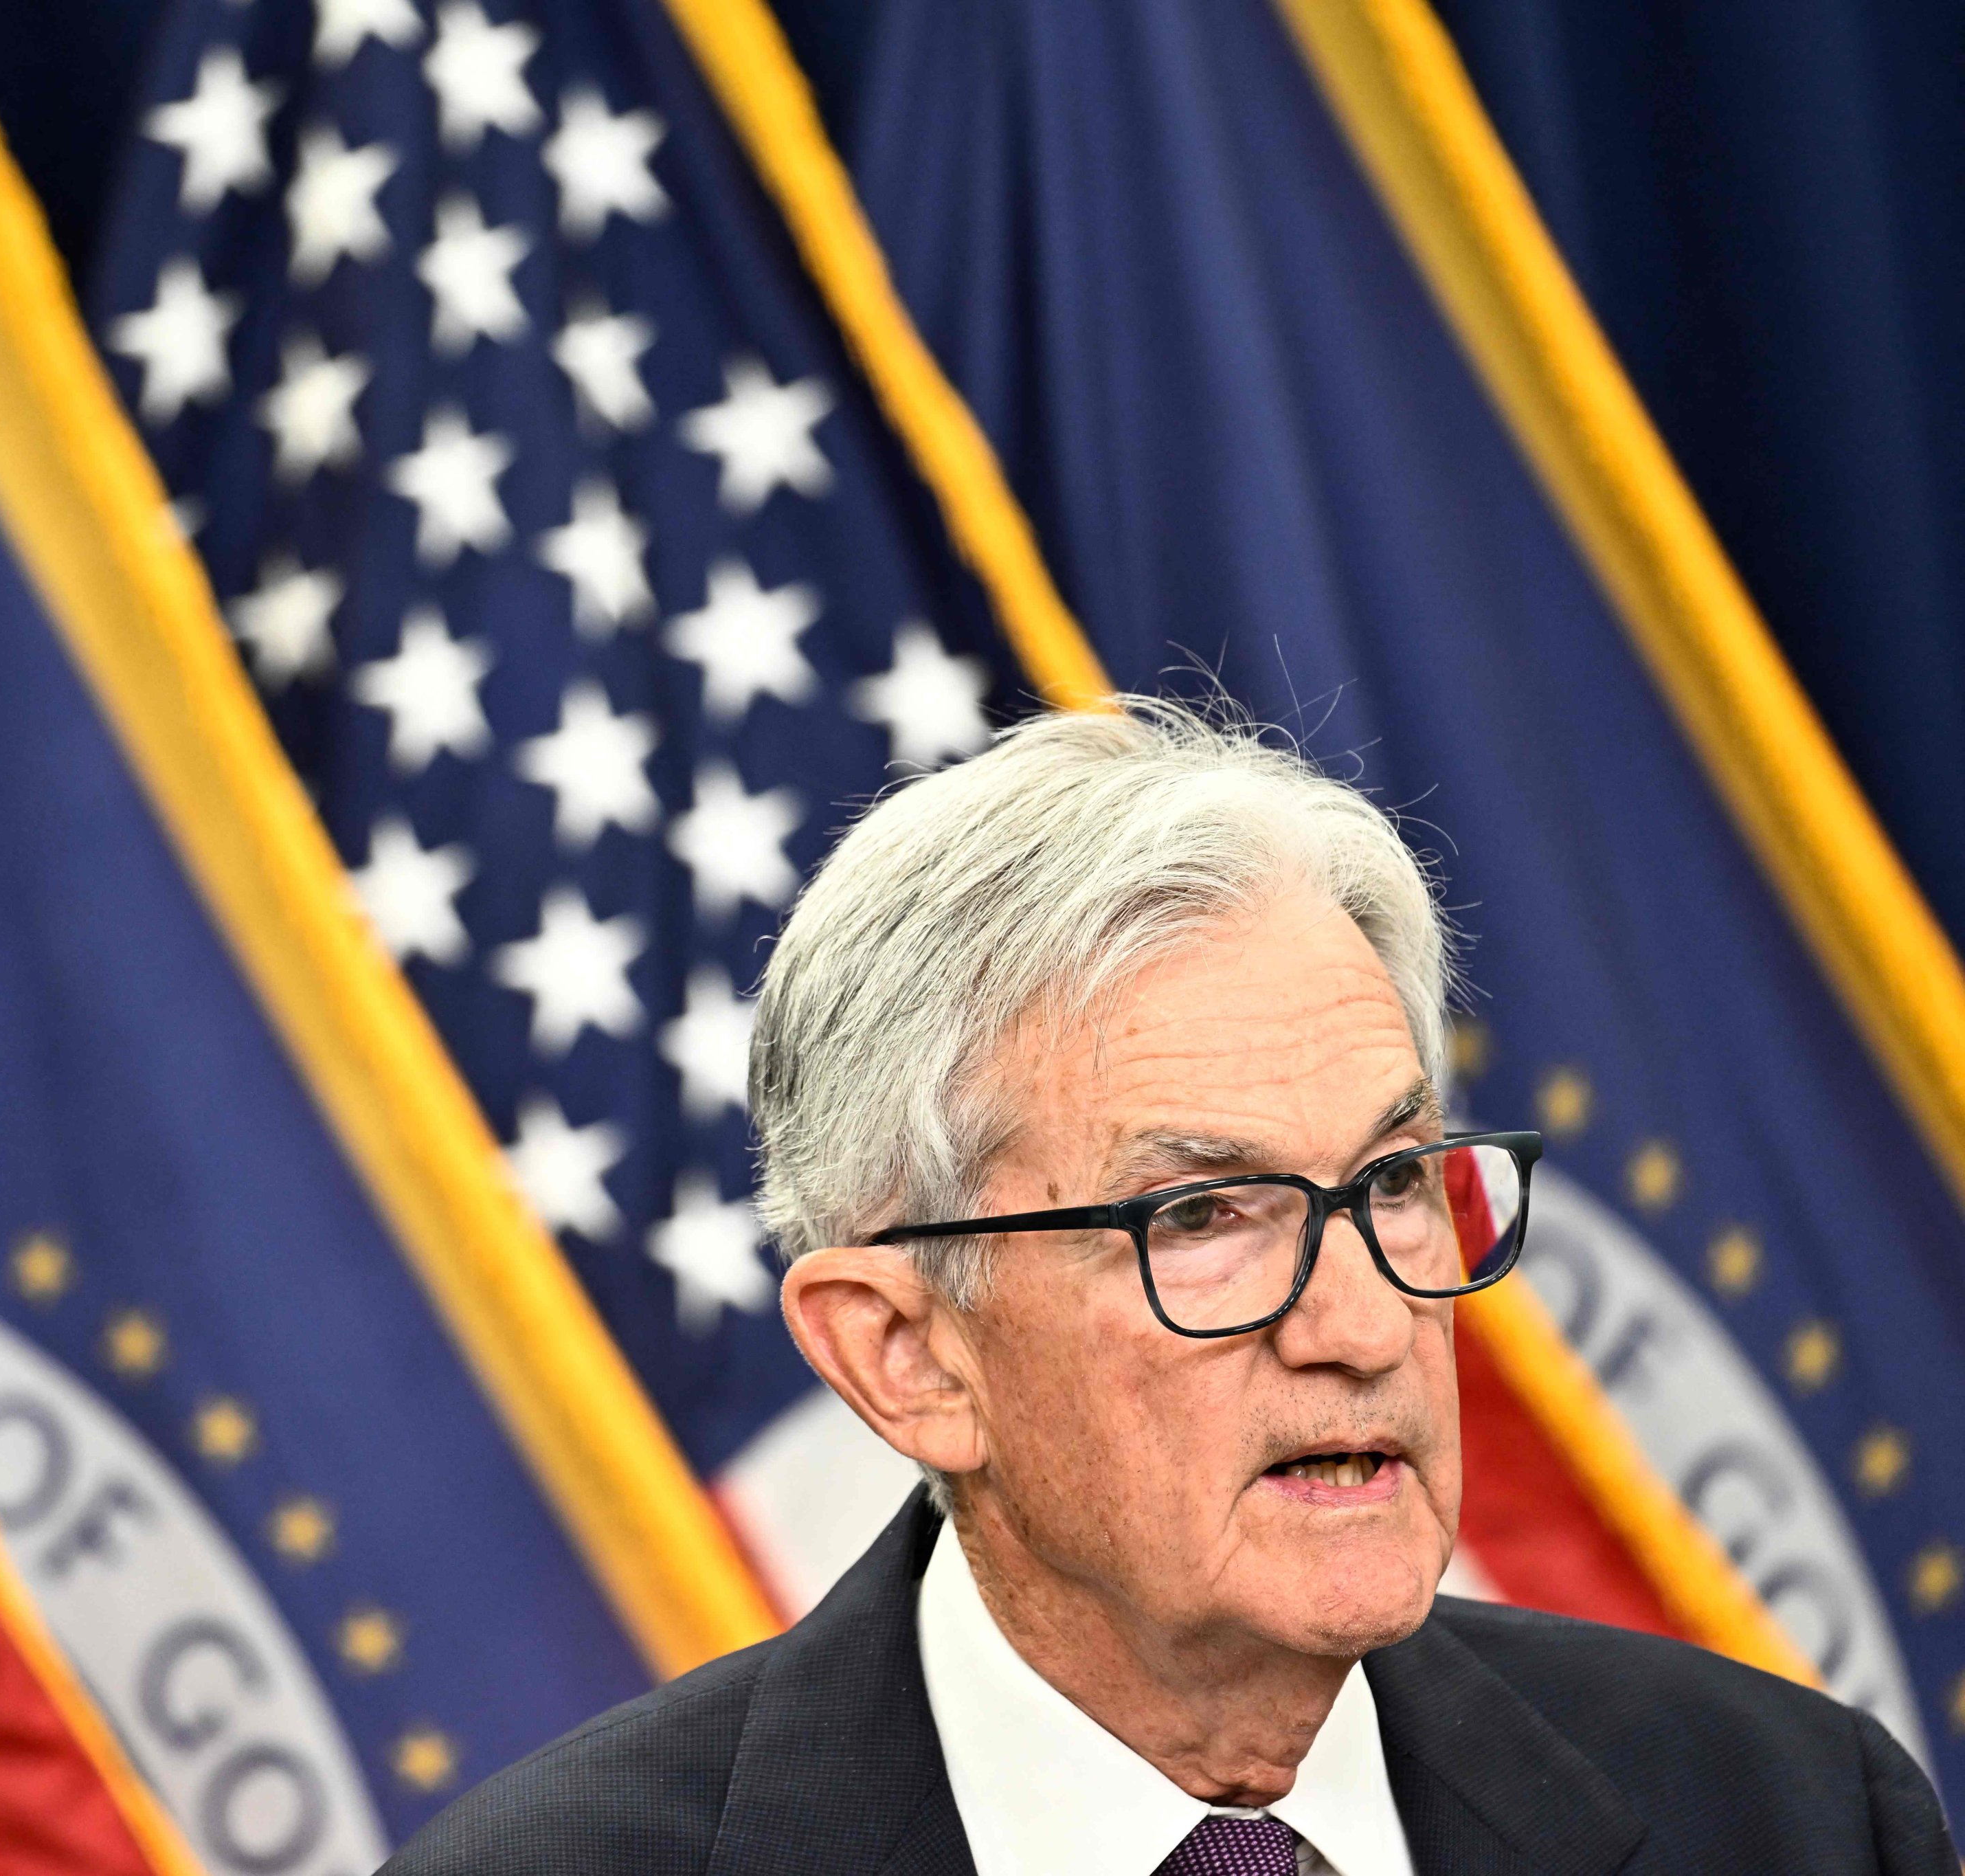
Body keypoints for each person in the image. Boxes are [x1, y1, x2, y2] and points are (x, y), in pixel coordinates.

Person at [383, 703, 1955, 1875]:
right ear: (905, 1354)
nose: (1356, 1330)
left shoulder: (1790, 1818)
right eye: (1203, 1215)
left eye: (1392, 1183)